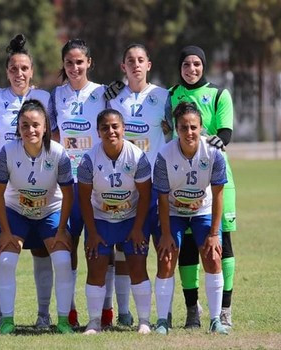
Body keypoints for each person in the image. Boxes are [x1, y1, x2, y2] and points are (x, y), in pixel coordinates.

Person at [0, 34, 54, 329]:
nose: (19, 74)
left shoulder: (46, 99)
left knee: (41, 249)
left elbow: (57, 138)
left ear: (32, 71)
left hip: (42, 185)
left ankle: (44, 314)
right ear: (6, 71)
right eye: (13, 69)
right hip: (6, 187)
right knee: (0, 248)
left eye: (24, 68)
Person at [168, 45, 236, 329]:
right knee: (187, 249)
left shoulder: (219, 94)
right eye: (186, 64)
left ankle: (224, 310)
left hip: (218, 180)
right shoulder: (171, 95)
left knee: (223, 245)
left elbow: (226, 133)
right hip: (181, 180)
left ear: (203, 65)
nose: (192, 69)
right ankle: (192, 310)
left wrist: (217, 142)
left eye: (197, 64)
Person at [0, 99, 74, 334]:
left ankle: (62, 321)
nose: (31, 130)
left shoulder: (58, 152)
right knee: (7, 261)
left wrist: (61, 230)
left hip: (50, 212)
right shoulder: (7, 152)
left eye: (35, 125)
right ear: (18, 127)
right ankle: (7, 321)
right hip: (16, 212)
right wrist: (6, 232)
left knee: (62, 261)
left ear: (46, 126)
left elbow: (68, 194)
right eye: (25, 125)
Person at [106, 44, 172, 332]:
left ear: (149, 65)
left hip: (156, 185)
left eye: (140, 60)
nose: (135, 65)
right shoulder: (112, 97)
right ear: (123, 67)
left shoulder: (163, 96)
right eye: (130, 61)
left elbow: (176, 131)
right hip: (122, 185)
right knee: (124, 249)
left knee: (161, 249)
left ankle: (163, 314)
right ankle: (123, 312)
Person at [48, 38, 113, 328]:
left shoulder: (103, 93)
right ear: (63, 65)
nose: (74, 67)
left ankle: (108, 309)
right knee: (69, 246)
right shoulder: (56, 95)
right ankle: (70, 310)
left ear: (89, 63)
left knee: (102, 247)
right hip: (68, 184)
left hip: (99, 183)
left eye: (79, 62)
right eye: (69, 62)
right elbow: (53, 137)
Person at [152, 101, 228, 335]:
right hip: (174, 211)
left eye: (193, 127)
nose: (189, 132)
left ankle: (216, 320)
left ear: (201, 127)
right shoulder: (164, 155)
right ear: (176, 129)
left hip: (202, 211)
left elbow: (218, 196)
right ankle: (163, 321)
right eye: (183, 127)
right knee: (165, 259)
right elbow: (162, 200)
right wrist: (165, 235)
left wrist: (214, 234)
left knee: (213, 257)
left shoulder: (214, 153)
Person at [77, 109, 152, 335]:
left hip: (131, 218)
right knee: (96, 266)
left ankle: (145, 321)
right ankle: (94, 322)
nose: (111, 131)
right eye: (105, 128)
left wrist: (138, 229)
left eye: (115, 126)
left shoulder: (138, 157)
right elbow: (83, 199)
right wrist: (92, 232)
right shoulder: (89, 160)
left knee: (137, 264)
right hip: (101, 218)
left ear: (123, 129)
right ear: (98, 132)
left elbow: (146, 196)